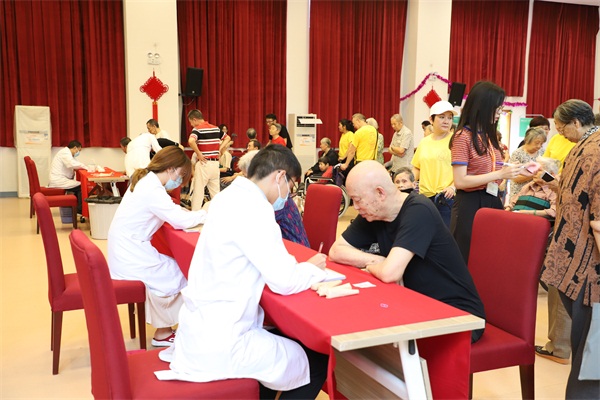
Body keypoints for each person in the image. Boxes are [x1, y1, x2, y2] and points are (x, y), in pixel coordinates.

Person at [157, 145, 329, 399]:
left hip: (201, 328)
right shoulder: (256, 209)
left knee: (279, 344)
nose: (288, 196)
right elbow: (284, 281)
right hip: (223, 340)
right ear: (280, 176)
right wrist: (312, 270)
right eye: (291, 187)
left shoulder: (227, 197)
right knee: (316, 360)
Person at [328, 161, 485, 343]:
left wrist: (375, 266)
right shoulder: (373, 213)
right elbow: (336, 251)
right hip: (414, 303)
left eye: (358, 200)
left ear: (380, 193)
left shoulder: (419, 210)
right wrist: (377, 260)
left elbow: (389, 273)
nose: (355, 207)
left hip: (457, 315)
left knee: (372, 337)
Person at [107, 146, 207, 347]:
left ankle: (164, 329)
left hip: (127, 248)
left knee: (172, 269)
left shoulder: (146, 181)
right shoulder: (152, 189)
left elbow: (169, 210)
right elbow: (178, 219)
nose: (179, 181)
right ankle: (165, 332)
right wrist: (206, 214)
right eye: (180, 175)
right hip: (130, 254)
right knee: (185, 272)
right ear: (171, 169)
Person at [541, 99, 600, 398]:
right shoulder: (590, 147)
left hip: (572, 265)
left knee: (587, 348)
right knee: (592, 353)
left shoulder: (584, 148)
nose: (559, 133)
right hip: (588, 269)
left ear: (577, 122)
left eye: (561, 127)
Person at [449, 81, 534, 263]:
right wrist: (500, 175)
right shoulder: (462, 137)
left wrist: (518, 170)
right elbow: (460, 181)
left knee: (490, 255)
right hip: (470, 203)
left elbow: (495, 169)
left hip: (491, 199)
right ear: (483, 106)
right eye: (497, 109)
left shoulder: (488, 136)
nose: (498, 113)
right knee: (467, 256)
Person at [412, 101, 456, 228]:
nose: (446, 121)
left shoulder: (456, 140)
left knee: (444, 234)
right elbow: (417, 167)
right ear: (431, 120)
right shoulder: (424, 142)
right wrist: (410, 181)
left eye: (449, 118)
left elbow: (465, 169)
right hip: (425, 197)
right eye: (442, 117)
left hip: (446, 198)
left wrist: (453, 187)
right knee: (425, 232)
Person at [187, 109, 231, 211]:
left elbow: (191, 141)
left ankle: (195, 215)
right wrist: (220, 149)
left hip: (204, 163)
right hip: (215, 165)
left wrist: (199, 153)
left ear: (194, 119)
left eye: (191, 122)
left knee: (198, 192)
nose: (191, 125)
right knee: (215, 193)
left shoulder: (197, 129)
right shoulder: (215, 128)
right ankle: (219, 214)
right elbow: (227, 138)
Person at [48, 140, 89, 215]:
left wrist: (84, 166)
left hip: (61, 179)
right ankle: (79, 210)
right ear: (75, 148)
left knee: (77, 185)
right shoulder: (65, 153)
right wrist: (87, 168)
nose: (78, 153)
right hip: (58, 180)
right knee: (81, 186)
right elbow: (71, 164)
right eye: (78, 151)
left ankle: (76, 208)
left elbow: (76, 163)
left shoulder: (68, 154)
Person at [508, 127, 547, 203]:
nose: (539, 146)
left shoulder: (542, 152)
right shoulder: (517, 154)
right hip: (519, 192)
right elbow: (514, 177)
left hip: (536, 193)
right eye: (537, 143)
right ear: (527, 140)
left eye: (541, 144)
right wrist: (534, 175)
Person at [335, 118, 355, 185]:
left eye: (340, 125)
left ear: (344, 126)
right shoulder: (343, 135)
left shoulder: (350, 134)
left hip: (348, 158)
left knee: (346, 177)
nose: (338, 127)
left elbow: (350, 148)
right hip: (342, 158)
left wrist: (344, 157)